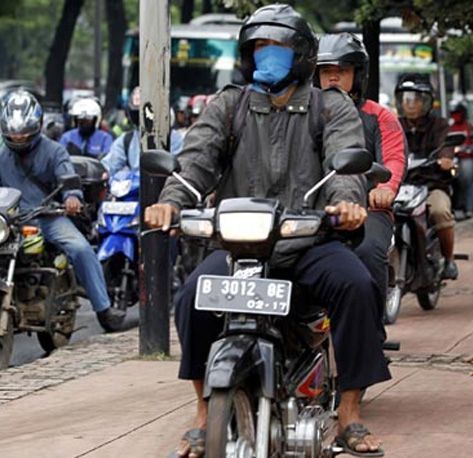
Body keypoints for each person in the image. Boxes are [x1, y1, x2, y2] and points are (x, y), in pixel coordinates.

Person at [143, 5, 389, 457]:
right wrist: (170, 202)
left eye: (276, 46)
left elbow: (346, 158)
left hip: (308, 242)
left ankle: (351, 414)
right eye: (258, 47)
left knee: (358, 286)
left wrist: (347, 201)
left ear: (300, 55)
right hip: (240, 248)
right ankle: (203, 413)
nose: (267, 55)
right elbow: (197, 160)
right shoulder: (230, 104)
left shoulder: (328, 105)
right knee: (190, 298)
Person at [0, 90, 125, 332]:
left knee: (80, 248)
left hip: (48, 217)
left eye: (23, 133)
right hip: (11, 221)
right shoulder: (0, 156)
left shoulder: (55, 151)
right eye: (14, 133)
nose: (19, 138)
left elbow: (68, 178)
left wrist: (72, 197)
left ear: (38, 126)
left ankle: (104, 309)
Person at [316, 32, 407, 326]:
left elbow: (393, 158)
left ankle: (371, 329)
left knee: (367, 250)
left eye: (341, 71)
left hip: (368, 207)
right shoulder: (303, 112)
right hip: (313, 206)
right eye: (326, 72)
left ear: (358, 75)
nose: (332, 79)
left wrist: (385, 188)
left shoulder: (380, 116)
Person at [396, 74, 459, 280]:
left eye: (415, 99)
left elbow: (447, 146)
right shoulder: (394, 125)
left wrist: (445, 159)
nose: (410, 104)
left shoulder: (439, 125)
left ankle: (449, 260)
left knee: (440, 211)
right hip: (400, 187)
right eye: (405, 99)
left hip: (431, 186)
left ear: (426, 102)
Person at [101, 87, 184, 177]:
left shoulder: (174, 139)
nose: (145, 119)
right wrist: (102, 173)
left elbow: (180, 168)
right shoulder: (126, 140)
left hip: (164, 187)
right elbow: (109, 165)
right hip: (132, 188)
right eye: (139, 114)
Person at [448, 99, 473, 219]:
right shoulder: (449, 127)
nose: (455, 116)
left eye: (458, 113)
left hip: (468, 157)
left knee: (467, 178)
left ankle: (469, 208)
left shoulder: (471, 126)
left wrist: (471, 148)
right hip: (454, 158)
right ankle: (454, 207)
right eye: (453, 113)